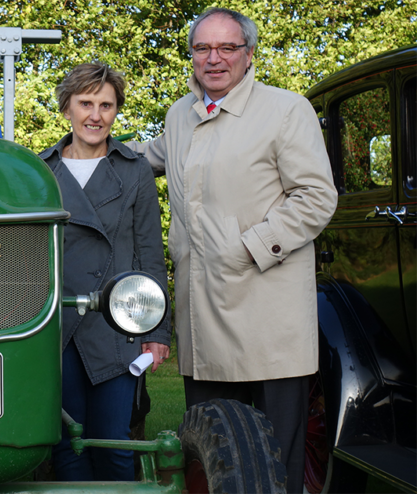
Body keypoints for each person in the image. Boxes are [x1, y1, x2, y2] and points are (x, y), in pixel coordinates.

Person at [126, 8, 338, 492]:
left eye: (227, 48)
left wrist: (251, 247)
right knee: (212, 444)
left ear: (249, 54)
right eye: (203, 48)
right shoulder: (180, 113)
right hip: (202, 314)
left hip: (267, 313)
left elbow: (317, 196)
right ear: (192, 56)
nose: (214, 59)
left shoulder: (286, 109)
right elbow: (149, 157)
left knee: (271, 459)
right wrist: (86, 144)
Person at [39, 63, 171, 481]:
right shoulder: (39, 171)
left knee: (114, 443)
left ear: (116, 112)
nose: (95, 115)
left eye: (106, 105)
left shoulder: (134, 170)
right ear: (67, 109)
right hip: (55, 324)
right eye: (85, 103)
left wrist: (157, 332)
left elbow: (150, 252)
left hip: (117, 324)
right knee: (65, 446)